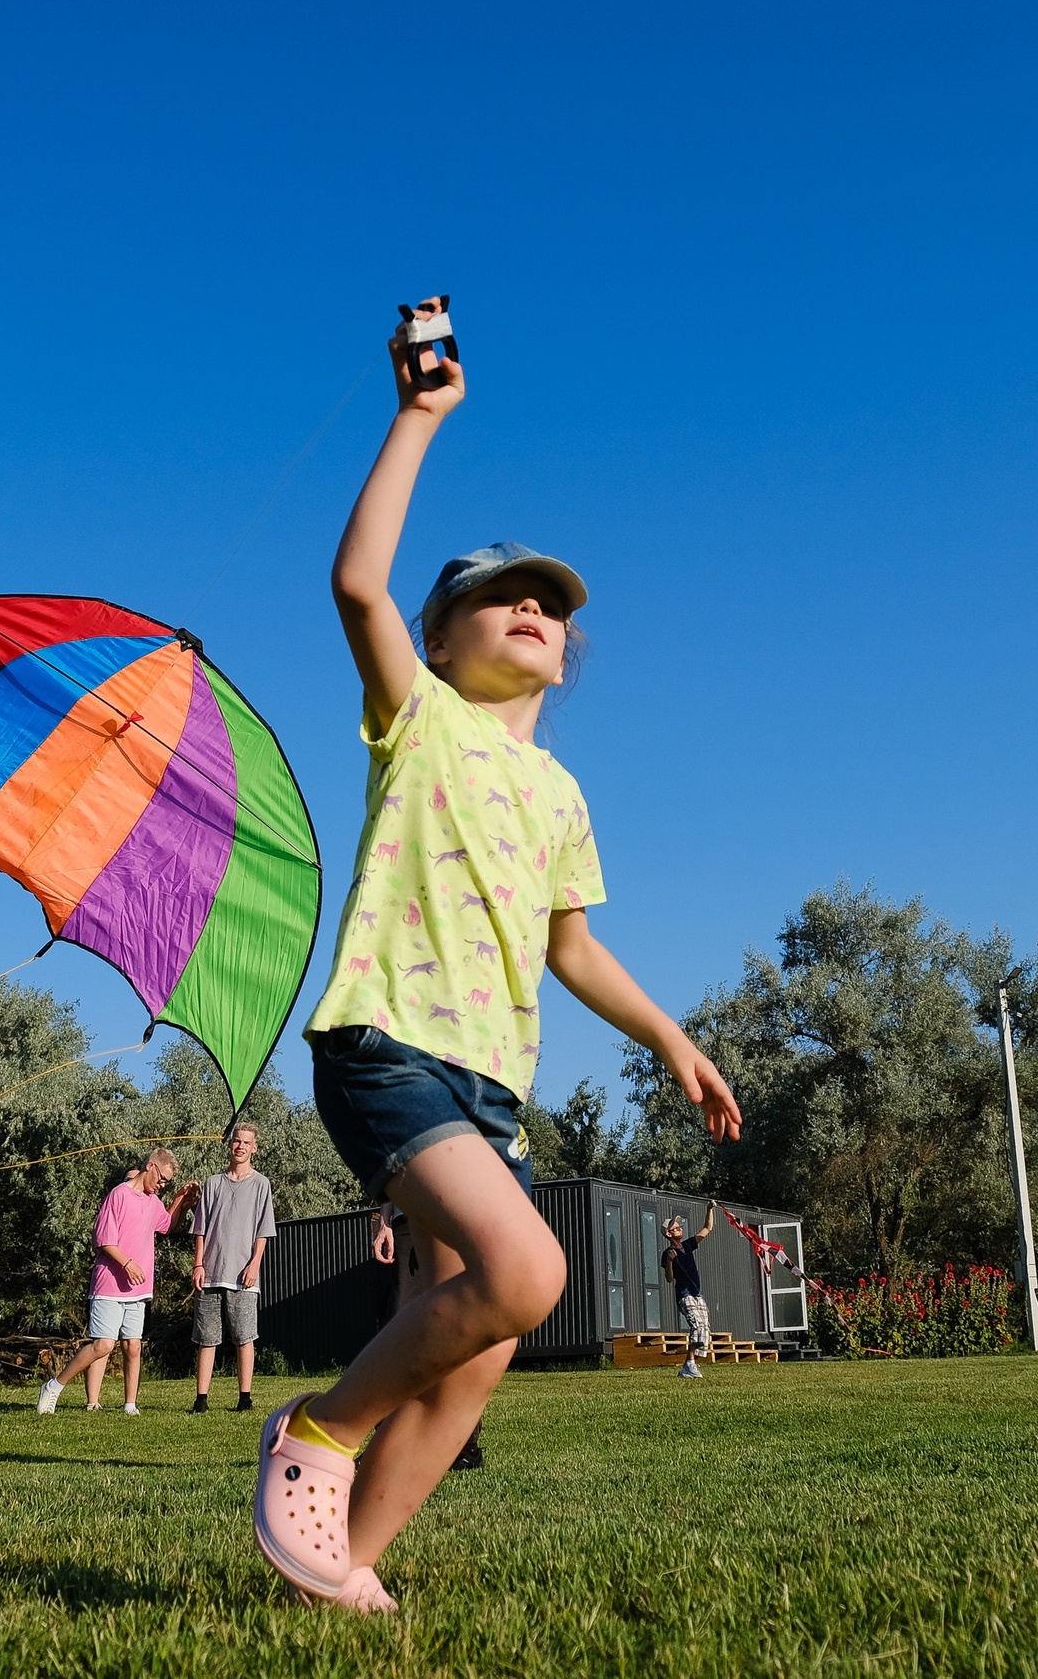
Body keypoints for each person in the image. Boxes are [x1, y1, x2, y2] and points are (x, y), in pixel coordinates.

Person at [249, 318, 742, 1614]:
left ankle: (342, 1562)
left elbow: (572, 942)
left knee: (486, 1339)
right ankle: (315, 1431)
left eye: (553, 605)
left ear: (567, 651)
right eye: (501, 593)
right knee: (528, 1274)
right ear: (442, 631)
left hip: (490, 1086)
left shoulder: (559, 792)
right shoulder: (416, 720)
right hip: (387, 1045)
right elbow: (357, 584)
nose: (534, 608)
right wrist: (421, 415)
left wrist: (674, 1039)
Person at [37, 1149, 199, 1414]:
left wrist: (181, 1201)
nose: (162, 1185)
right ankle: (54, 1386)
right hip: (110, 1284)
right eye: (162, 1179)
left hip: (139, 1287)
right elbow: (104, 1240)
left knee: (133, 1346)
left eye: (167, 1183)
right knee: (103, 1345)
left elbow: (167, 1226)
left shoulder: (152, 1200)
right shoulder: (119, 1195)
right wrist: (128, 1263)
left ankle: (130, 1405)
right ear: (150, 1166)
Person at [373, 1205, 483, 1470]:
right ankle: (390, 1443)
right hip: (405, 1219)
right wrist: (385, 1222)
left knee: (454, 1329)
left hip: (453, 1215)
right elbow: (392, 1164)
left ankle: (464, 1445)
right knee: (399, 1331)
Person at [190, 1122, 277, 1414]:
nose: (240, 1146)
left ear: (254, 1148)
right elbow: (200, 1228)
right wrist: (198, 1264)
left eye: (246, 1143)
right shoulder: (213, 1183)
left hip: (243, 1275)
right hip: (211, 1272)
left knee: (244, 1337)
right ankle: (201, 1400)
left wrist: (255, 1263)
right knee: (207, 1338)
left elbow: (264, 1230)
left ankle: (244, 1398)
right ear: (230, 1145)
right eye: (236, 1141)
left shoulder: (261, 1184)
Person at [661, 1203, 718, 1378]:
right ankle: (689, 1364)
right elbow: (669, 1279)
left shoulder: (688, 1245)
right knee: (697, 1326)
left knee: (705, 1329)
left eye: (680, 1227)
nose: (680, 1229)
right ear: (670, 1234)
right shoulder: (668, 1252)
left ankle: (689, 1365)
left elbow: (707, 1228)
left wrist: (709, 1209)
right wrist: (670, 1261)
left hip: (697, 1294)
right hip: (685, 1295)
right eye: (677, 1228)